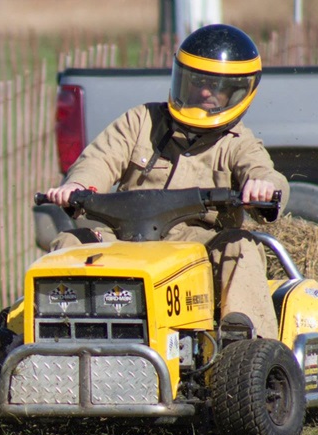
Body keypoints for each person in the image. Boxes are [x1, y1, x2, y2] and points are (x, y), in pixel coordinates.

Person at [45, 24, 289, 340]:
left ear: (239, 92)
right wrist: (78, 187)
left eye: (216, 86)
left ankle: (244, 350)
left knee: (241, 246)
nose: (204, 92)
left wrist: (263, 188)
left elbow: (265, 174)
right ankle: (55, 338)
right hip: (125, 234)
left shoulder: (238, 142)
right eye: (198, 82)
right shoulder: (141, 121)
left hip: (195, 242)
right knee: (69, 243)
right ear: (180, 79)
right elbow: (99, 160)